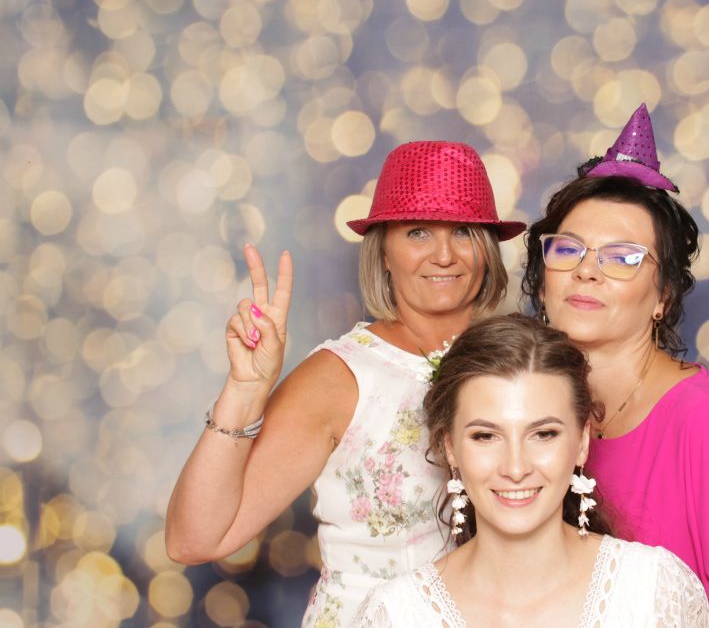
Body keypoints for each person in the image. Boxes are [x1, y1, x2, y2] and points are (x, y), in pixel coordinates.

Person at [164, 141, 526, 626]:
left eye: (462, 231)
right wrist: (245, 390)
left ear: (488, 248)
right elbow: (193, 540)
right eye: (418, 232)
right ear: (384, 252)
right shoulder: (340, 377)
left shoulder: (525, 365)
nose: (444, 255)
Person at [522, 105, 709, 627]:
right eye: (568, 250)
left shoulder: (708, 423)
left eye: (623, 257)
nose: (587, 271)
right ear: (543, 282)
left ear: (663, 295)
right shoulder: (520, 408)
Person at [352, 314, 709, 627]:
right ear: (450, 447)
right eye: (485, 436)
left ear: (582, 441)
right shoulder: (396, 614)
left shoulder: (655, 591)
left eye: (543, 434)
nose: (515, 467)